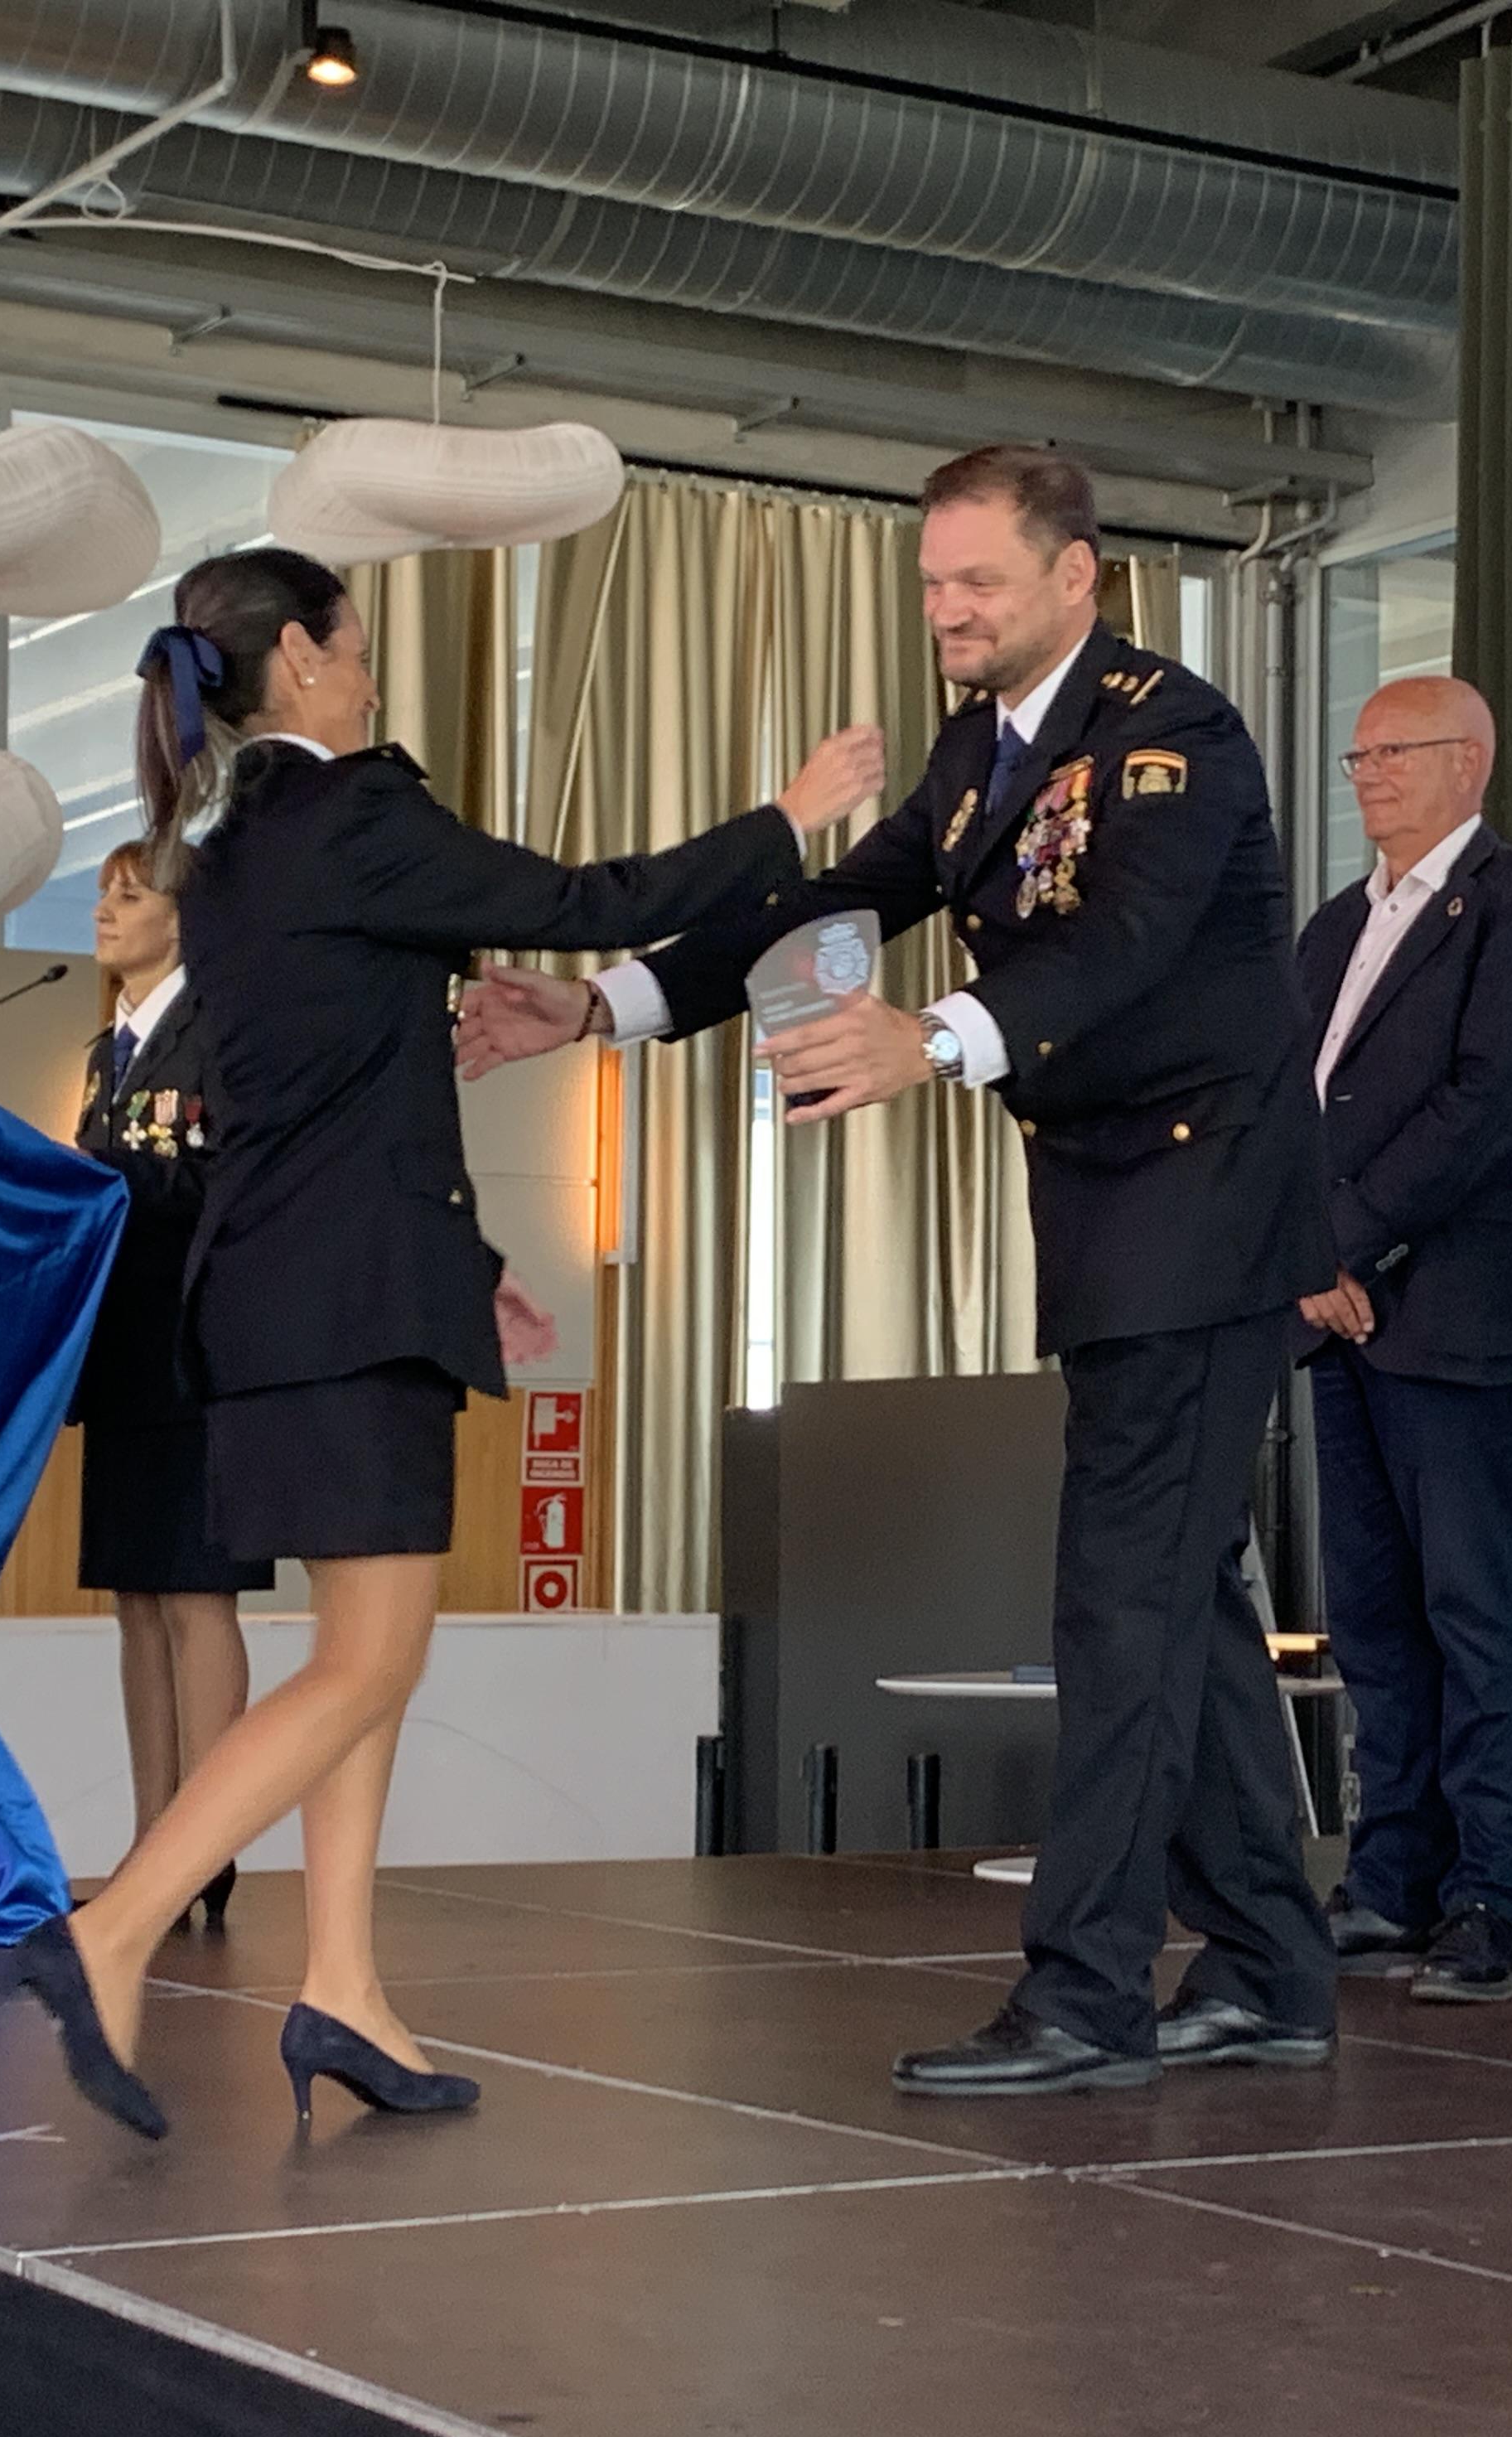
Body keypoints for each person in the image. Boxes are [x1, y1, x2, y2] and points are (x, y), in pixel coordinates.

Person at [458, 446, 1341, 2095]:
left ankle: (1086, 1996)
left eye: (978, 581)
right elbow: (839, 901)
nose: (948, 610)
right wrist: (605, 1006)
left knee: (1122, 1605)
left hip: (1207, 1220)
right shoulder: (980, 750)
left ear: (1075, 576)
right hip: (1116, 1219)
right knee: (1178, 1598)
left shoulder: (1173, 734)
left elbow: (1122, 947)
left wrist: (927, 1038)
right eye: (934, 583)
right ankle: (1274, 1971)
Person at [12, 547, 856, 2140]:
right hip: (347, 1303)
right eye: (358, 647)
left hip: (292, 1290)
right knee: (369, 1659)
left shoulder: (231, 839)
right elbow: (588, 904)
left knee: (358, 1660)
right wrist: (787, 815)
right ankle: (112, 1929)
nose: (374, 671)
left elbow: (327, 1100)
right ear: (303, 658)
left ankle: (341, 1984)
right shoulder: (352, 811)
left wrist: (466, 1266)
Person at [1293, 676, 1512, 2006]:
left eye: (1392, 751)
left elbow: (1492, 1099)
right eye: (1356, 755)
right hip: (1338, 1320)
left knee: (1475, 1615)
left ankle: (1486, 1899)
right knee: (1369, 1618)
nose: (1367, 772)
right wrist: (1306, 1257)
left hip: (1457, 1316)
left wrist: (1352, 1240)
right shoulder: (1333, 926)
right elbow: (1286, 1102)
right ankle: (1390, 1876)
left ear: (1469, 762)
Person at [71, 838, 267, 1935]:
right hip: (124, 1350)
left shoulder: (224, 1027)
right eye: (103, 892)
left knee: (197, 1597)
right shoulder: (107, 1052)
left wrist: (108, 1179)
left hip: (202, 1348)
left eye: (130, 894)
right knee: (137, 1603)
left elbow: (234, 1181)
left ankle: (207, 1837)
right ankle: (154, 1840)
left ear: (185, 920)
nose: (106, 911)